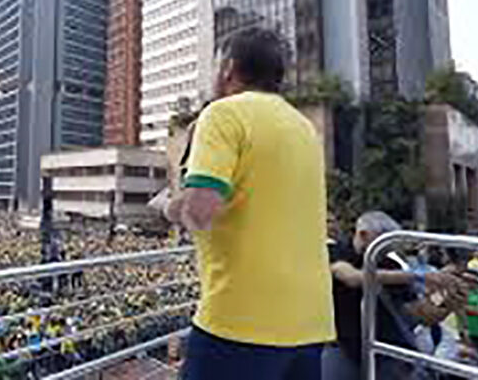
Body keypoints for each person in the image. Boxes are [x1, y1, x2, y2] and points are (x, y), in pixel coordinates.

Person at [166, 27, 335, 379]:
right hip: (309, 323)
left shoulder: (223, 114)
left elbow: (199, 213)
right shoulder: (304, 128)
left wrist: (167, 207)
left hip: (241, 321)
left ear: (228, 68)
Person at [324, 211, 467, 379]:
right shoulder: (337, 253)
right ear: (364, 234)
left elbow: (420, 314)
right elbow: (353, 278)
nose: (390, 250)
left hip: (387, 352)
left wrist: (446, 300)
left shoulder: (390, 264)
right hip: (343, 349)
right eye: (386, 243)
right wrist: (419, 276)